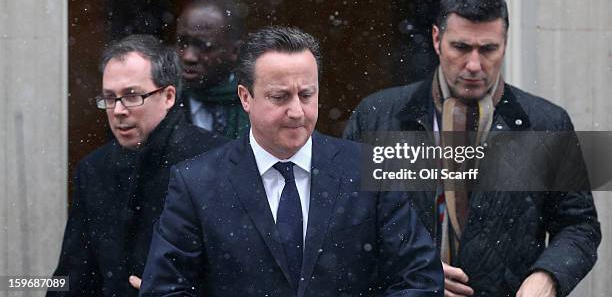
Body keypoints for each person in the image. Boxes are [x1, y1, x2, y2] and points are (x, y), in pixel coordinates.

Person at [140, 27, 444, 296]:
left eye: (307, 95)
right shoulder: (197, 183)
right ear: (246, 98)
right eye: (280, 96)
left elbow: (418, 279)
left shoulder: (368, 168)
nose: (297, 111)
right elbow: (166, 289)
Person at [344, 0, 601, 297]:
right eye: (461, 47)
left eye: (488, 49)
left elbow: (579, 226)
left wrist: (547, 277)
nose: (474, 65)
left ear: (505, 44)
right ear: (437, 40)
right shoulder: (377, 117)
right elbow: (345, 225)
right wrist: (413, 270)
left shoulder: (547, 123)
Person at [49, 35, 227, 297]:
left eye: (132, 96)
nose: (118, 110)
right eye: (110, 98)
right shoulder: (94, 169)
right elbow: (73, 274)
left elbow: (241, 271)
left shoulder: (215, 160)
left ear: (168, 96)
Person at [176, 0, 249, 138]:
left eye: (203, 45)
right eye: (183, 43)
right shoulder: (164, 103)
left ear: (235, 51)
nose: (188, 56)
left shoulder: (255, 102)